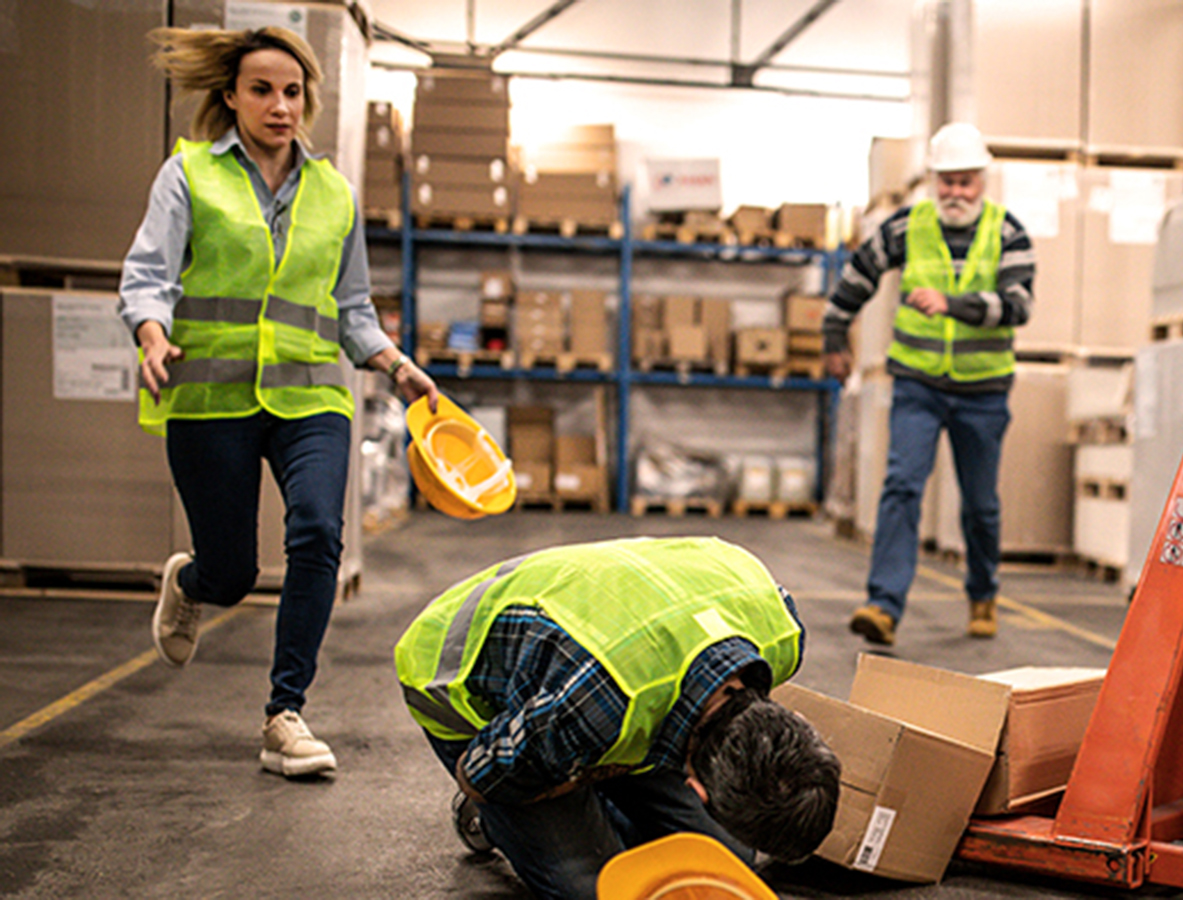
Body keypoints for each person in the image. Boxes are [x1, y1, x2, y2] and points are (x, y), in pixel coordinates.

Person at [118, 26, 439, 778]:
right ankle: (192, 582)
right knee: (232, 575)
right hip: (212, 399)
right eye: (262, 90)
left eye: (292, 92)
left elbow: (352, 308)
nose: (280, 106)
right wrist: (152, 335)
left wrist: (396, 366)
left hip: (311, 396)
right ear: (231, 97)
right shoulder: (190, 174)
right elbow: (148, 275)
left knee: (319, 533)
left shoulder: (333, 195)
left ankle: (284, 714)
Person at [394, 536, 841, 899]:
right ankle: (520, 811)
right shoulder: (597, 702)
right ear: (697, 788)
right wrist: (585, 770)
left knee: (728, 858)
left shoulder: (783, 633)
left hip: (601, 670)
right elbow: (478, 774)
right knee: (596, 889)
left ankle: (580, 785)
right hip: (458, 679)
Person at [824, 122, 1035, 647]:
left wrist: (952, 305)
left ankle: (983, 593)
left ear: (981, 181)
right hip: (917, 384)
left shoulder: (1008, 233)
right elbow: (858, 275)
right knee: (902, 485)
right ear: (933, 181)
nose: (955, 192)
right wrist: (834, 334)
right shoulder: (906, 227)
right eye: (947, 181)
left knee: (980, 505)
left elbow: (1018, 306)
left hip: (983, 391)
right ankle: (883, 605)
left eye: (965, 181)